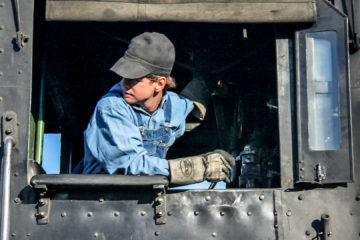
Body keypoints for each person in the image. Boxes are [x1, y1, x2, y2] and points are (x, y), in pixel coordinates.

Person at [76, 32, 234, 185]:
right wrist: (196, 168)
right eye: (124, 76)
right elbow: (129, 165)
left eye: (134, 79)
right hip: (98, 198)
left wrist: (212, 158)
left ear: (159, 84)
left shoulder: (174, 108)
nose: (125, 84)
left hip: (142, 197)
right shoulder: (112, 107)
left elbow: (192, 99)